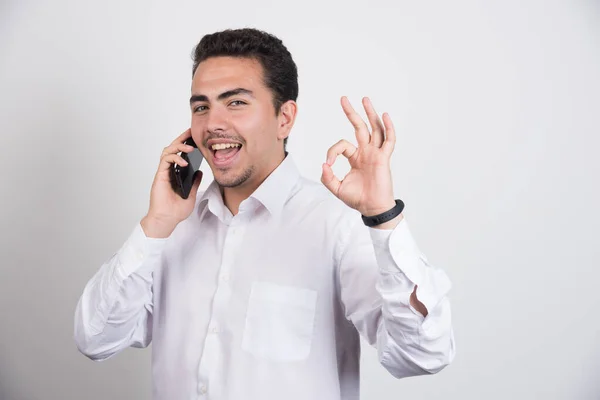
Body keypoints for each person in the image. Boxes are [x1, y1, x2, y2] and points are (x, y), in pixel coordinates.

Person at [74, 28, 455, 400]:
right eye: (201, 106)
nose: (212, 124)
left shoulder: (335, 225)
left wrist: (383, 217)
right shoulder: (170, 227)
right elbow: (97, 338)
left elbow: (422, 355)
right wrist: (155, 225)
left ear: (284, 118)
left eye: (236, 102)